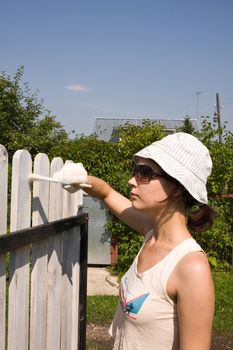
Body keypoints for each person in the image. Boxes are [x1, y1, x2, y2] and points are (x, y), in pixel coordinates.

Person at [53, 132, 215, 350]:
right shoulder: (151, 233)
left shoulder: (191, 267)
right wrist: (81, 179)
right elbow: (107, 193)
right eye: (135, 171)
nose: (131, 181)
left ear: (178, 187)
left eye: (144, 173)